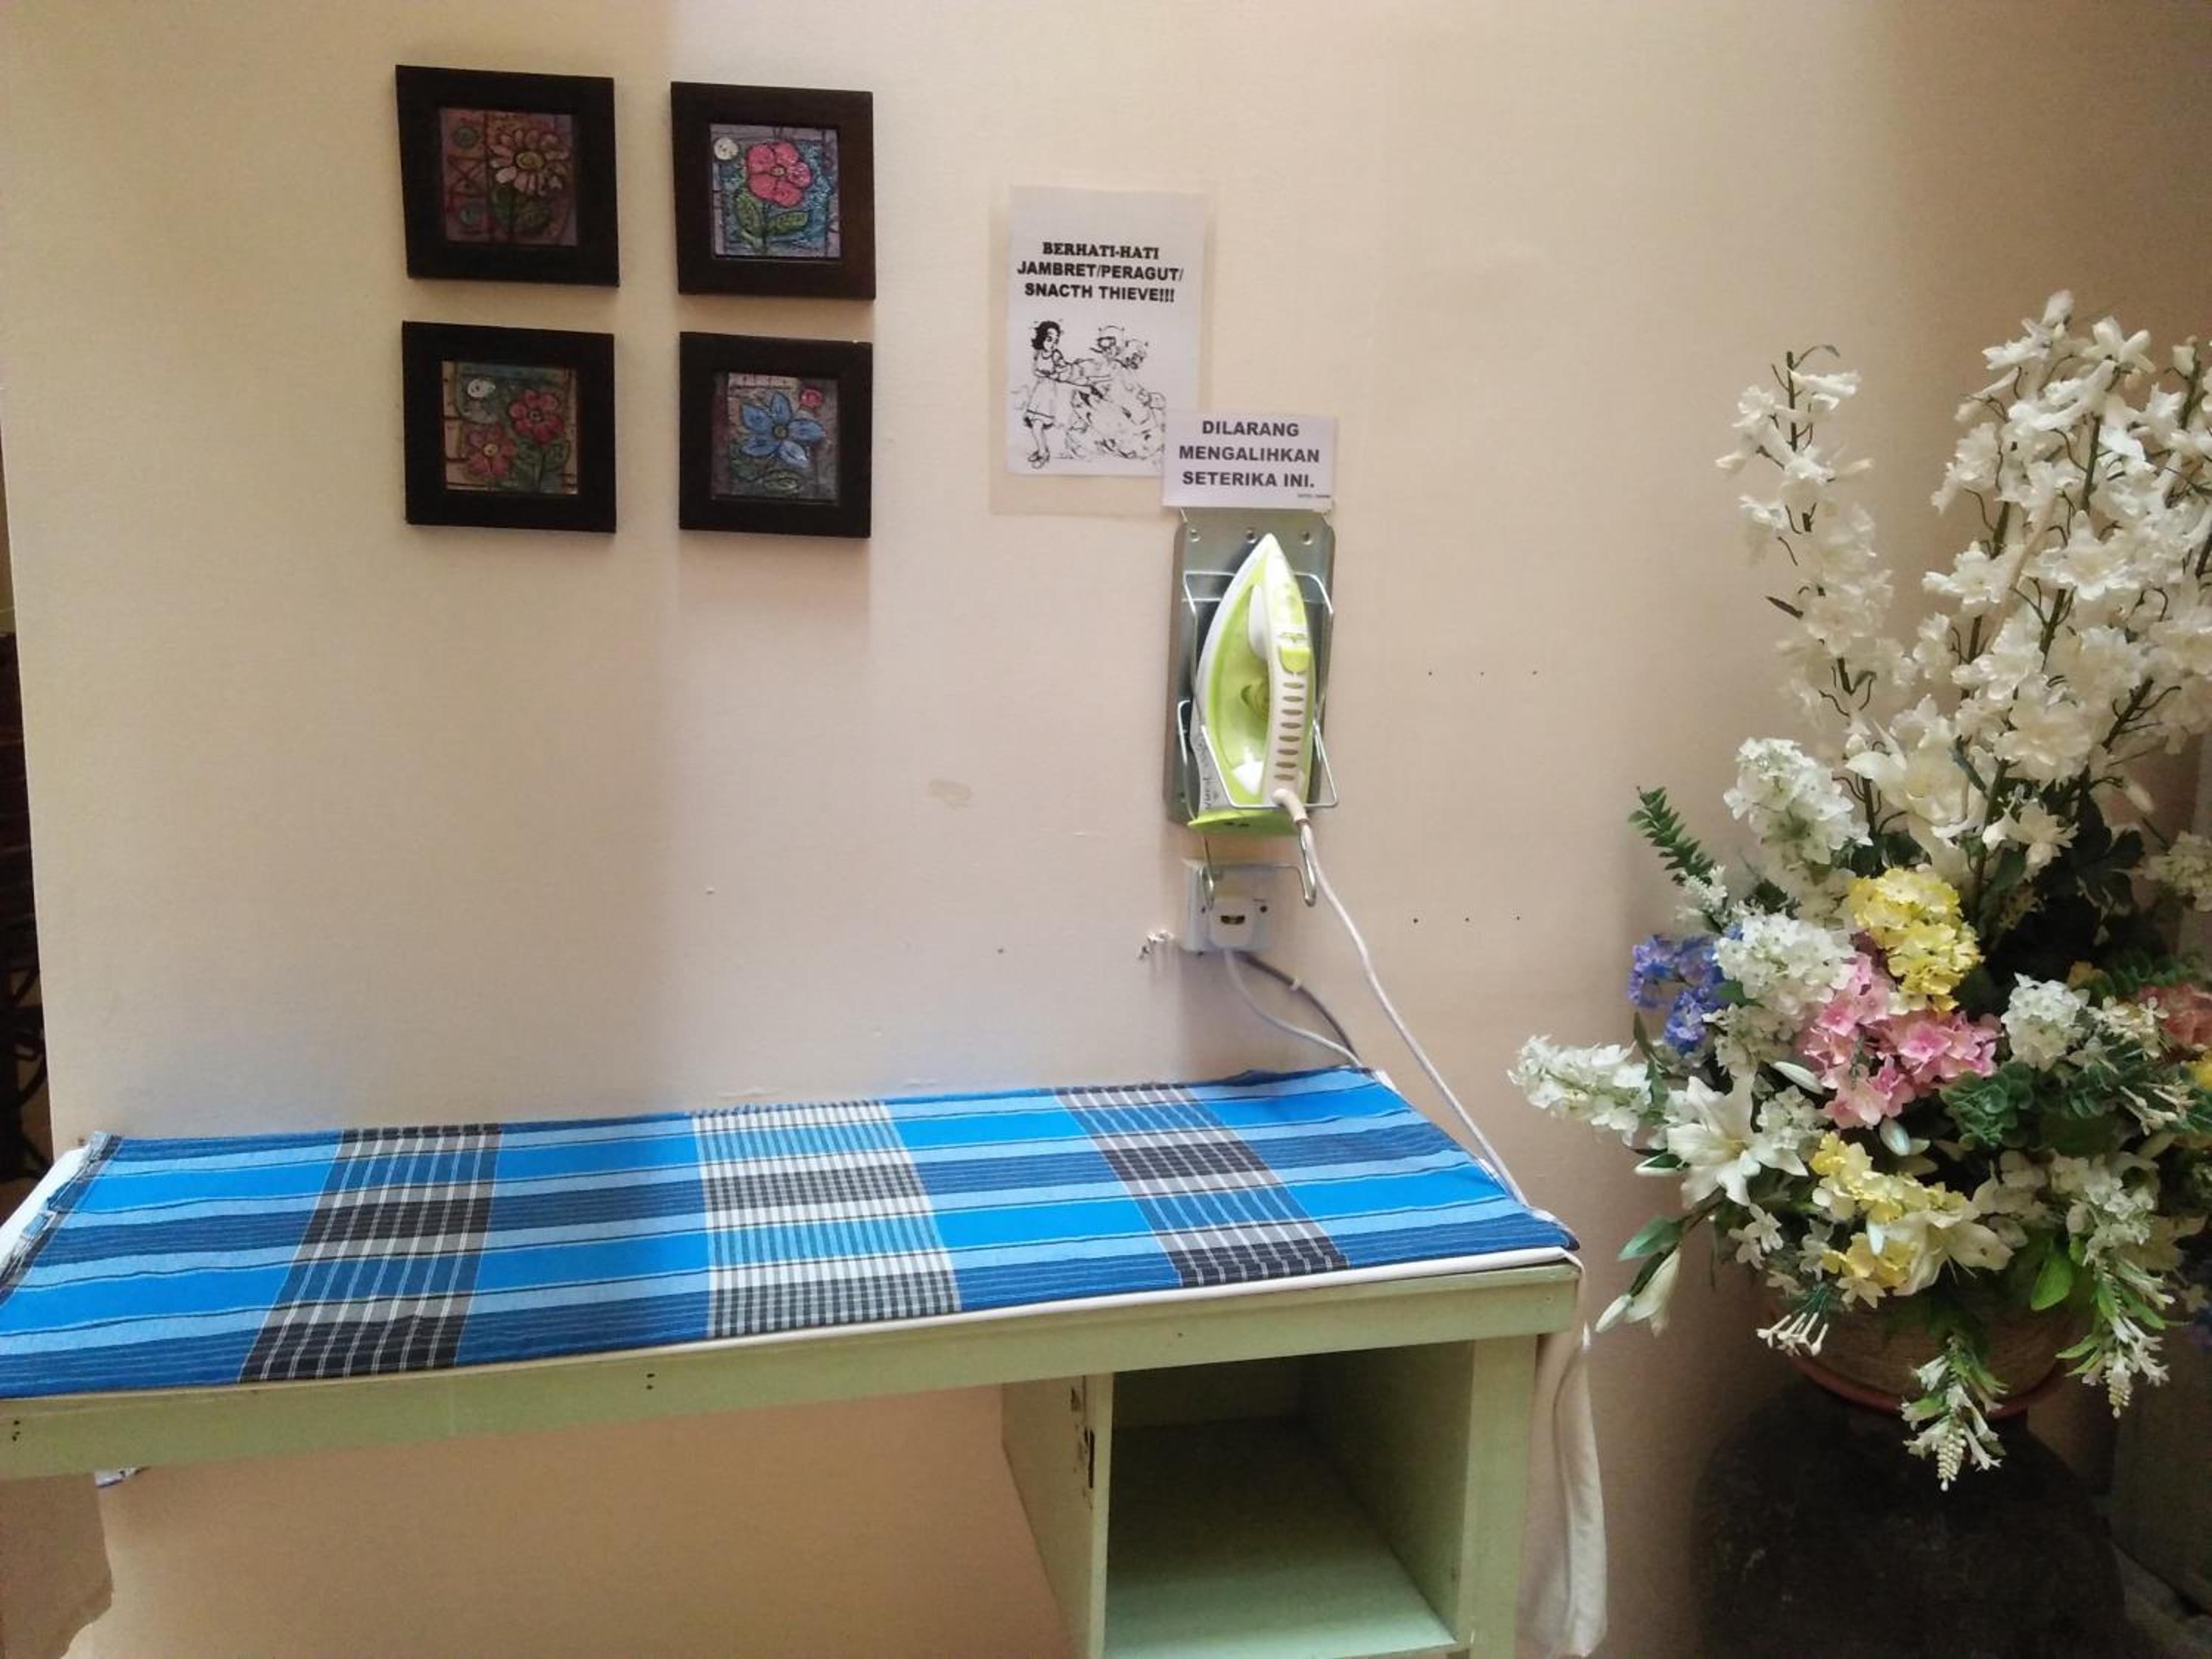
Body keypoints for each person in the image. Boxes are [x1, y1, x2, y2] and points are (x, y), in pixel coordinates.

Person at [1020, 321, 1100, 468]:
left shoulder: (1056, 355)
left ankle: (1043, 454)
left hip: (1048, 394)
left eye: (1056, 341)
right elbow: (1035, 370)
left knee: (1037, 426)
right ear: (1041, 338)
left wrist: (1054, 374)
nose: (1053, 344)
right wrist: (1043, 373)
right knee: (1035, 424)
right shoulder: (1037, 353)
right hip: (1038, 392)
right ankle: (1041, 450)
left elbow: (1064, 373)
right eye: (1049, 339)